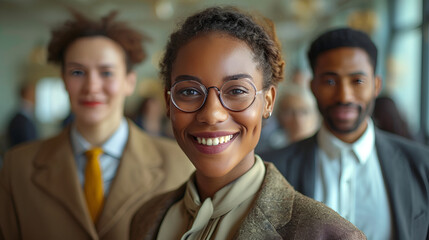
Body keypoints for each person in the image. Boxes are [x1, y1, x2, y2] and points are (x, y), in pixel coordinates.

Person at [130, 7, 365, 239]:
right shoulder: (147, 218)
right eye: (190, 92)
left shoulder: (326, 234)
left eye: (237, 90)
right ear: (168, 103)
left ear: (268, 102)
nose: (212, 114)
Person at [0, 10, 194, 240]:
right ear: (64, 80)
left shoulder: (180, 163)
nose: (91, 86)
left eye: (106, 72)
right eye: (78, 72)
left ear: (129, 82)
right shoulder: (19, 165)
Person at [262, 27, 429, 240]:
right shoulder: (274, 170)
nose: (344, 96)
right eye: (330, 81)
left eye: (357, 81)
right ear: (313, 87)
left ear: (376, 85)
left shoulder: (421, 166)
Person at [7, 82, 38, 148]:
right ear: (27, 94)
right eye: (33, 93)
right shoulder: (20, 121)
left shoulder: (24, 117)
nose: (35, 96)